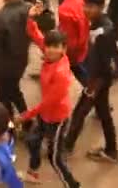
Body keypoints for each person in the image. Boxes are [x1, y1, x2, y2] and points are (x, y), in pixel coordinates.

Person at [18, 22, 80, 187]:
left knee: (55, 159)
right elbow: (36, 35)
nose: (50, 50)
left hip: (57, 118)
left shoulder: (61, 73)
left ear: (64, 49)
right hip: (45, 115)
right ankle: (33, 172)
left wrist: (25, 116)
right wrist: (31, 19)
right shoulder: (51, 56)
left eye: (56, 47)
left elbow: (48, 103)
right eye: (48, 46)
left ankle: (72, 185)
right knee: (32, 140)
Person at [64, 0, 118, 163]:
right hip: (99, 77)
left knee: (80, 112)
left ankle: (66, 147)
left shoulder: (103, 30)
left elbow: (104, 60)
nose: (87, 10)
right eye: (85, 6)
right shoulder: (95, 23)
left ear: (102, 7)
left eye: (92, 7)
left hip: (98, 79)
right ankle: (111, 151)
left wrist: (93, 85)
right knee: (103, 114)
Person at [0, 0, 31, 120]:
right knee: (14, 91)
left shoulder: (1, 16)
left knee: (3, 101)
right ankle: (27, 121)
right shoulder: (29, 8)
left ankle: (9, 129)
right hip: (21, 61)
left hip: (3, 66)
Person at [57, 0, 89, 86]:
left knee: (85, 80)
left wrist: (62, 56)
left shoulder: (65, 9)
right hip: (87, 45)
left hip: (77, 54)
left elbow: (71, 41)